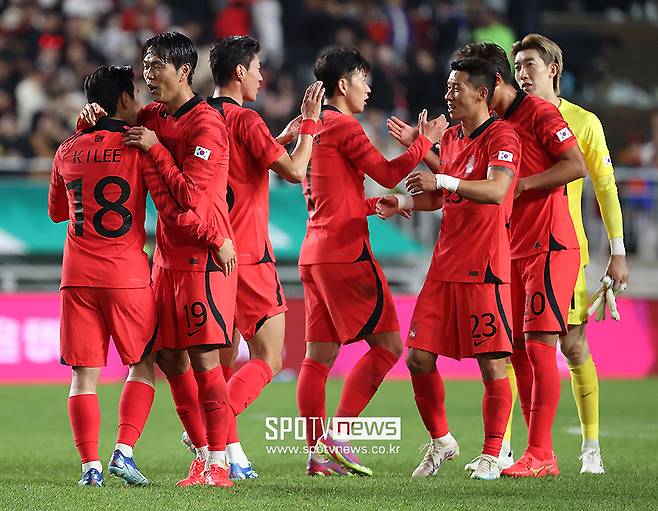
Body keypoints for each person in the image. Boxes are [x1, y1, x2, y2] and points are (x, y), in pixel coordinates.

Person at [49, 65, 221, 487]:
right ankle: (123, 452)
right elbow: (170, 203)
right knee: (145, 362)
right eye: (136, 94)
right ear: (125, 100)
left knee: (82, 375)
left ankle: (90, 468)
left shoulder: (66, 150)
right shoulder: (136, 148)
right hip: (125, 275)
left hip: (76, 276)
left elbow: (56, 213)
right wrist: (215, 236)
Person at [82, 32, 238, 488]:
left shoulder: (206, 125)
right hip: (166, 262)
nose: (148, 75)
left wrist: (154, 149)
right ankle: (202, 456)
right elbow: (114, 119)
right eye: (145, 66)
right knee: (168, 361)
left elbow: (190, 196)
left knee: (206, 362)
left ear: (183, 70)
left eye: (156, 66)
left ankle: (220, 464)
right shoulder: (151, 114)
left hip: (204, 259)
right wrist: (88, 116)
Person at [178, 35, 324, 480]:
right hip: (250, 256)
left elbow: (237, 164)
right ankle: (213, 429)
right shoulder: (247, 118)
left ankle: (228, 457)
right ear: (239, 72)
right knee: (270, 356)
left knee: (221, 363)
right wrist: (312, 126)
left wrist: (283, 136)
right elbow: (295, 171)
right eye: (258, 67)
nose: (263, 75)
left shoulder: (200, 117)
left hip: (209, 255)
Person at [296, 47, 445, 477]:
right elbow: (386, 169)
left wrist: (374, 204)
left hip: (315, 253)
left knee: (317, 359)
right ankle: (338, 435)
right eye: (363, 78)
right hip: (346, 254)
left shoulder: (313, 127)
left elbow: (333, 197)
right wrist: (425, 142)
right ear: (342, 85)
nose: (369, 87)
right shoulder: (344, 125)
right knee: (389, 347)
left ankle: (316, 454)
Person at [380, 57, 521, 481]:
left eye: (456, 87)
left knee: (492, 365)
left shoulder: (504, 136)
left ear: (482, 92)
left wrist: (440, 179)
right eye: (447, 86)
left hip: (484, 267)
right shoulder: (455, 139)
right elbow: (445, 196)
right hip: (445, 265)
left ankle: (493, 454)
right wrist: (403, 201)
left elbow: (496, 191)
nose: (448, 94)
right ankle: (442, 441)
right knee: (418, 359)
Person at [450, 42, 586, 477]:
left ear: (493, 85)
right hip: (512, 249)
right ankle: (533, 451)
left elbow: (576, 165)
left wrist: (524, 186)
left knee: (541, 345)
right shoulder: (496, 125)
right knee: (517, 352)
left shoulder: (541, 114)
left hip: (550, 245)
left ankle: (542, 454)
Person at [511, 33, 629, 474]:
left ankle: (591, 448)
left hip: (565, 250)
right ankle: (506, 448)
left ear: (552, 69)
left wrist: (617, 251)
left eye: (530, 65)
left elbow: (605, 187)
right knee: (510, 348)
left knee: (573, 345)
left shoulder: (583, 122)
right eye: (517, 66)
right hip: (515, 249)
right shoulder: (507, 121)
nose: (522, 74)